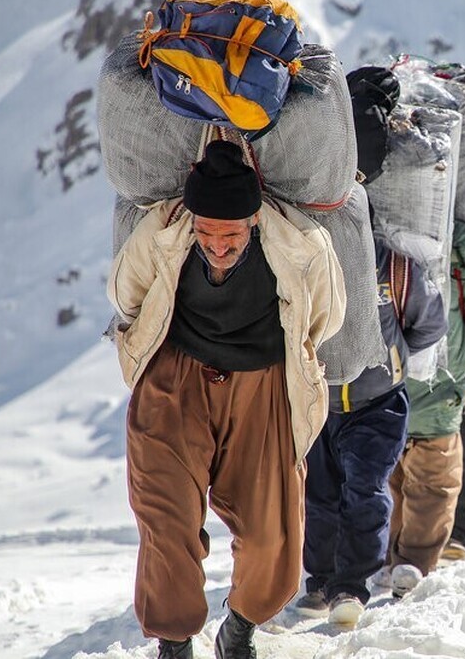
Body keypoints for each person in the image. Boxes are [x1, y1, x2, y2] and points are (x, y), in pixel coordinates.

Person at [106, 140, 345, 659]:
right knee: (165, 518)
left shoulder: (302, 246)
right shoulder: (164, 233)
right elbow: (127, 294)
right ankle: (174, 642)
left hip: (261, 388)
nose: (217, 245)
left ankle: (238, 629)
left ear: (254, 220)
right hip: (175, 382)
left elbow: (326, 318)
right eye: (207, 232)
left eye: (230, 233)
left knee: (270, 532)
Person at [295, 233, 446, 625]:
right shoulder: (305, 255)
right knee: (319, 493)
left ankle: (351, 586)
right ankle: (321, 579)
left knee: (365, 491)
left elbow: (430, 323)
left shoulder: (395, 266)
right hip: (319, 401)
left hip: (379, 404)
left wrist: (389, 360)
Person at [388, 220, 465, 593]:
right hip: (442, 390)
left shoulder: (387, 261)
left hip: (387, 389)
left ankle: (389, 558)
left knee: (392, 479)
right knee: (434, 485)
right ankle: (412, 564)